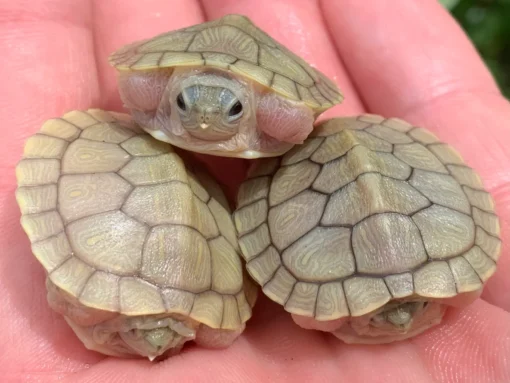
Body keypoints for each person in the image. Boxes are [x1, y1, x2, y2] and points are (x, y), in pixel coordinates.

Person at [1, 1, 508, 381]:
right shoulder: (145, 95)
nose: (204, 122)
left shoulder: (284, 123)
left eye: (233, 112)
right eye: (184, 102)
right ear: (169, 90)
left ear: (253, 108)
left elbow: (296, 122)